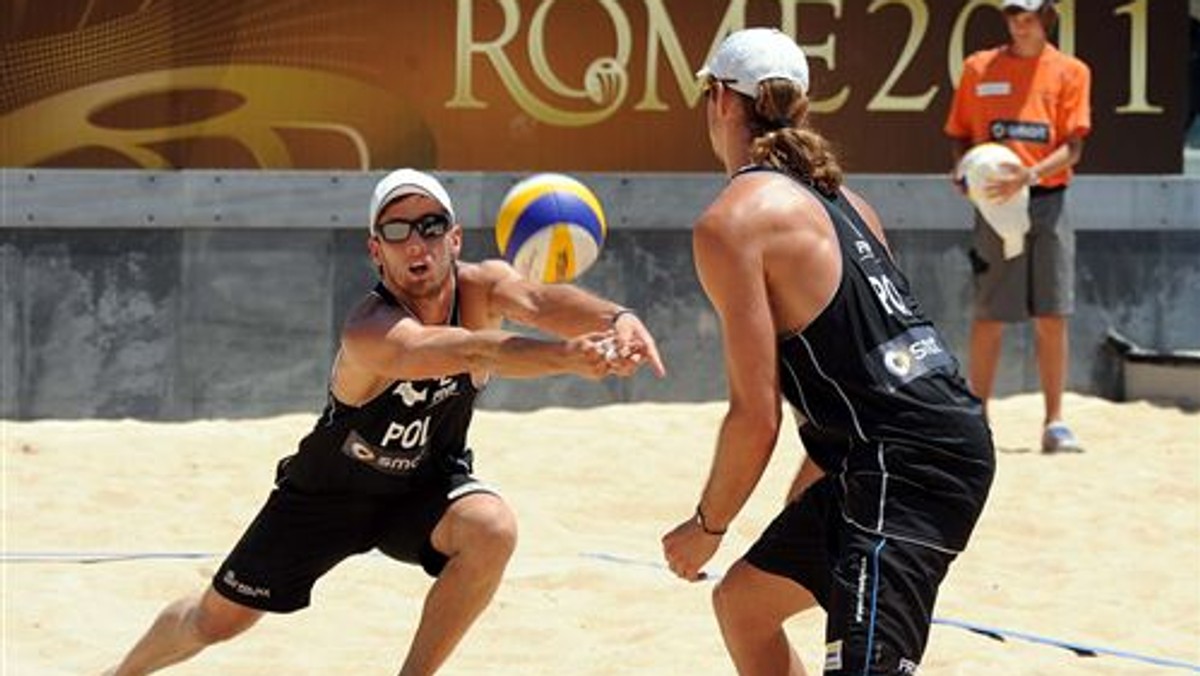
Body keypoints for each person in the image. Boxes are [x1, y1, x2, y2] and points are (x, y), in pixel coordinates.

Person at [105, 168, 665, 676]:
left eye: (429, 224)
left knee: (492, 528)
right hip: (327, 494)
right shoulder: (369, 329)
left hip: (421, 486)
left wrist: (618, 318)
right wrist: (566, 356)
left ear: (455, 237)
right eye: (397, 231)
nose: (415, 242)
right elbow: (471, 351)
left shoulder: (481, 286)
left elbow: (540, 300)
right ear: (376, 251)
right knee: (215, 621)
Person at [660, 28, 995, 675]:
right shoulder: (849, 203)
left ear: (724, 103)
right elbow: (852, 373)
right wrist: (806, 506)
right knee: (745, 603)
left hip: (907, 469)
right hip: (909, 446)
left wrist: (708, 526)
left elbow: (757, 417)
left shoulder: (733, 221)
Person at [944, 0, 1092, 452]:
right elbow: (959, 135)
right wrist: (964, 176)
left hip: (1048, 202)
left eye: (1028, 17)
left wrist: (1028, 175)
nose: (1019, 25)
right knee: (990, 313)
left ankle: (1055, 422)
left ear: (1046, 19)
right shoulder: (978, 68)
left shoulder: (1071, 71)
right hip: (994, 208)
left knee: (1052, 314)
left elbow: (1073, 148)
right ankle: (977, 418)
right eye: (1013, 16)